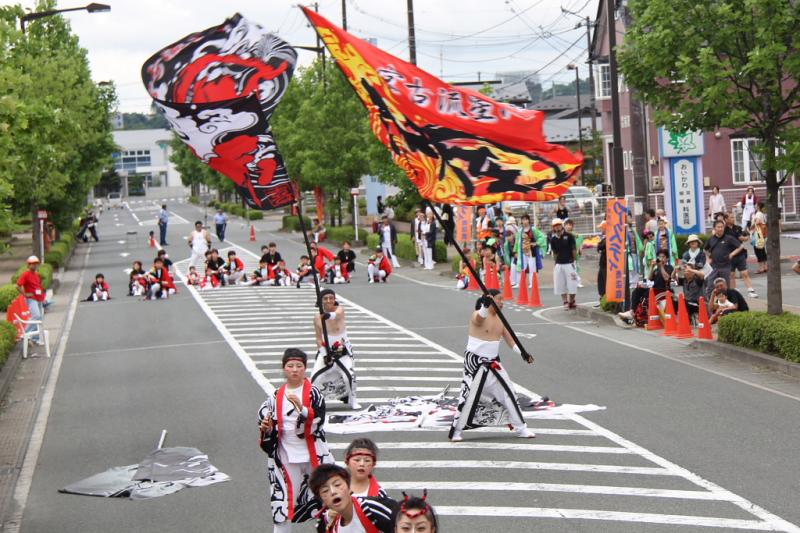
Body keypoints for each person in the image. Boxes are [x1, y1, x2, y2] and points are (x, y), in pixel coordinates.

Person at [258, 348, 334, 532]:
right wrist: (266, 427)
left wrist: (303, 410)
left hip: (314, 454)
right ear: (284, 369)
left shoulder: (314, 393)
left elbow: (319, 421)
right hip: (286, 455)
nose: (294, 369)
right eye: (290, 366)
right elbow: (264, 421)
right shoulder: (275, 397)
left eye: (299, 366)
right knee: (283, 502)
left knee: (331, 497)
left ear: (304, 368)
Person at [449, 290, 535, 442]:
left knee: (508, 394)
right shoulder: (478, 315)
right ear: (490, 301)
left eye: (503, 299)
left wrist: (522, 353)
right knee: (468, 398)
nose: (503, 302)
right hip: (476, 365)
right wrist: (484, 306)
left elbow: (510, 340)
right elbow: (478, 319)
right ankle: (456, 431)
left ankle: (521, 428)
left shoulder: (500, 319)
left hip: (494, 363)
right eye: (499, 299)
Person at [309, 464, 395, 533]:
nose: (333, 492)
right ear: (322, 501)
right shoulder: (333, 528)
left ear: (349, 487)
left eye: (337, 485)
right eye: (325, 490)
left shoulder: (370, 508)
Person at [312, 289, 360, 409]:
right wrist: (324, 354)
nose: (329, 300)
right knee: (315, 378)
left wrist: (328, 315)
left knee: (349, 375)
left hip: (342, 350)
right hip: (326, 351)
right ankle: (314, 402)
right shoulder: (317, 317)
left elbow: (337, 314)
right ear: (321, 301)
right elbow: (318, 338)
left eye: (331, 298)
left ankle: (353, 399)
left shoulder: (340, 310)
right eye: (325, 298)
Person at [619, 249, 674, 323]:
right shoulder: (656, 269)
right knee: (637, 291)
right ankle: (632, 312)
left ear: (667, 259)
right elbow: (649, 279)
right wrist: (652, 267)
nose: (661, 258)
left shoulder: (669, 267)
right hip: (653, 289)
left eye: (663, 257)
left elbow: (667, 278)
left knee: (646, 293)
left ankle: (635, 314)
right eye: (659, 257)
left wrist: (661, 267)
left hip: (662, 290)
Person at [703, 220, 745, 301]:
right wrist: (708, 258)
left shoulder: (728, 238)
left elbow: (740, 246)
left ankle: (726, 302)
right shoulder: (711, 239)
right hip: (713, 267)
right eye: (718, 227)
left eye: (722, 227)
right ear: (714, 228)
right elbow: (705, 250)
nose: (720, 229)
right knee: (710, 285)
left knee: (725, 286)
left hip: (725, 266)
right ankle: (710, 302)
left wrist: (732, 254)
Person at [724, 211, 758, 298]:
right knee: (731, 275)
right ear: (726, 219)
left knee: (744, 273)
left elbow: (743, 238)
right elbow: (741, 238)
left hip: (740, 254)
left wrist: (748, 235)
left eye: (733, 217)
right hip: (730, 255)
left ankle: (751, 290)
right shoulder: (724, 230)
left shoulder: (738, 228)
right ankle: (734, 291)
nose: (733, 219)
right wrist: (746, 237)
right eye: (731, 217)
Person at [16, 256, 46, 345]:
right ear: (29, 265)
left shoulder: (37, 274)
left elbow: (38, 286)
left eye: (36, 263)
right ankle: (25, 333)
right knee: (36, 316)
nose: (35, 265)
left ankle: (35, 338)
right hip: (32, 299)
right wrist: (25, 294)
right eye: (33, 264)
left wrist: (43, 297)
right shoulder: (25, 274)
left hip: (39, 298)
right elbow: (18, 285)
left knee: (39, 318)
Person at [549, 218, 578, 310]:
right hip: (559, 264)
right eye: (555, 226)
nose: (557, 227)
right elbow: (555, 253)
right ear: (553, 228)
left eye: (558, 225)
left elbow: (574, 249)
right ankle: (565, 302)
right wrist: (556, 263)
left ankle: (571, 301)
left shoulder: (569, 236)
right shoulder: (553, 239)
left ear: (562, 225)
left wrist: (574, 261)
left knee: (572, 284)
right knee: (560, 284)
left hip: (569, 263)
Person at [515, 214, 546, 289]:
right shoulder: (520, 231)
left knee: (532, 267)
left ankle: (533, 283)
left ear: (529, 220)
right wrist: (516, 251)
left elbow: (542, 236)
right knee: (522, 267)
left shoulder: (533, 229)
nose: (525, 221)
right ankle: (521, 283)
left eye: (526, 219)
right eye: (523, 219)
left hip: (532, 252)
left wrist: (536, 243)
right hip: (522, 252)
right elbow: (517, 242)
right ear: (521, 221)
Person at [564, 219, 584, 287]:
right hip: (565, 255)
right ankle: (567, 283)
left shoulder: (575, 235)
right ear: (564, 226)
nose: (569, 226)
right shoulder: (562, 234)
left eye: (570, 225)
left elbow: (581, 238)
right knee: (566, 270)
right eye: (567, 225)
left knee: (575, 268)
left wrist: (580, 248)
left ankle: (577, 282)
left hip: (573, 255)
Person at [751, 202, 768, 273]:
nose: (755, 206)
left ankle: (761, 268)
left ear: (758, 206)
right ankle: (765, 266)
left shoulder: (758, 214)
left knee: (758, 251)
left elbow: (757, 222)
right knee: (762, 250)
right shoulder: (762, 214)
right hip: (763, 234)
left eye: (756, 205)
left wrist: (752, 225)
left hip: (758, 234)